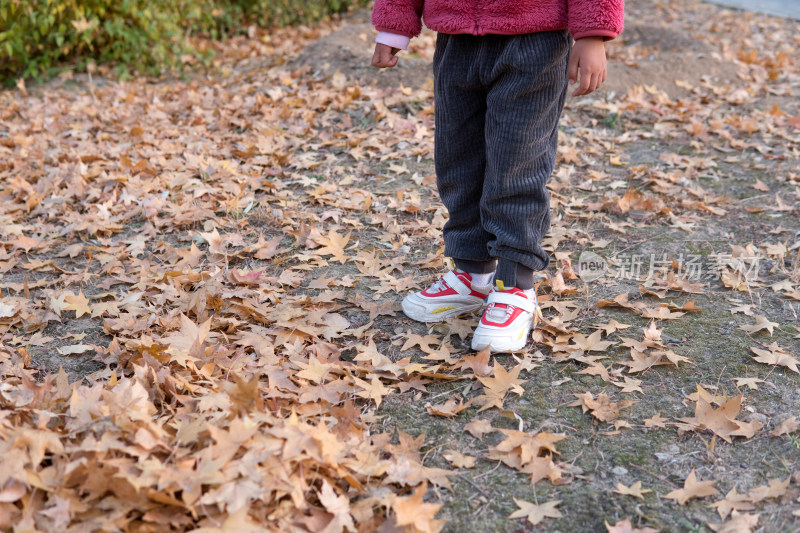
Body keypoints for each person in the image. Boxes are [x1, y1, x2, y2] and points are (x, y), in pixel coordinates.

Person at [370, 0, 624, 352]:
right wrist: (394, 24)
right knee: (458, 160)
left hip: (535, 40)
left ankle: (516, 286)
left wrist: (593, 33)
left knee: (517, 164)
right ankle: (472, 272)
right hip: (456, 40)